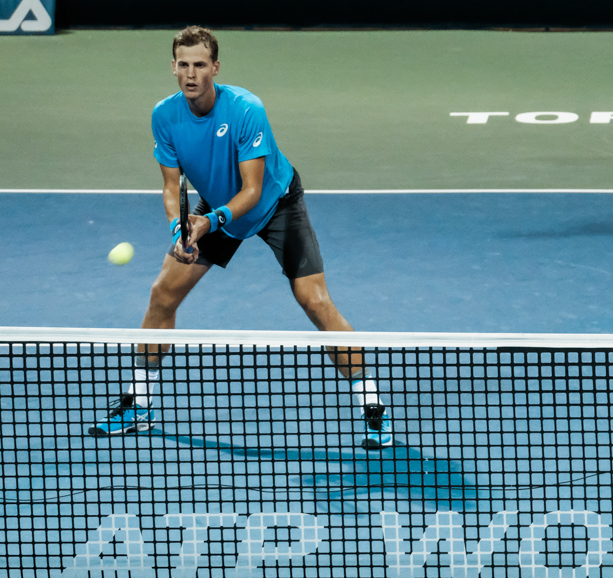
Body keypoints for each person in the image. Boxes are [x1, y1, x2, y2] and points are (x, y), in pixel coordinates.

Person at [88, 26, 392, 449]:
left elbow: (251, 190)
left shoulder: (246, 109)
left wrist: (207, 223)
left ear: (215, 67)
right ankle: (139, 404)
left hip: (274, 204)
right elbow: (171, 188)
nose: (191, 74)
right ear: (173, 67)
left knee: (315, 301)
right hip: (216, 208)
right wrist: (180, 229)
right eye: (183, 65)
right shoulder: (164, 116)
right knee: (162, 294)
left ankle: (372, 406)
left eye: (199, 65)